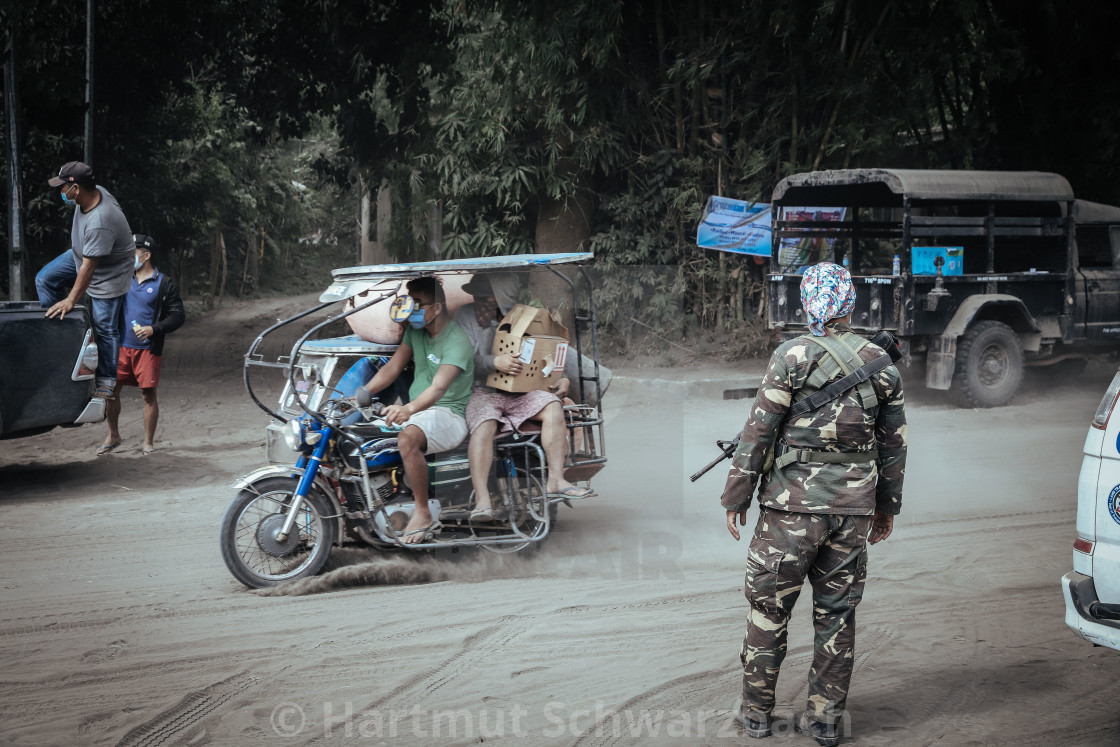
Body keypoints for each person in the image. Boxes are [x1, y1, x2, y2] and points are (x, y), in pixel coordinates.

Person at [721, 262, 907, 747]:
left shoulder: (790, 355)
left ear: (806, 304)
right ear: (850, 304)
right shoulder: (879, 361)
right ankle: (825, 723)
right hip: (852, 513)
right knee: (836, 616)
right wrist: (886, 507)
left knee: (768, 610)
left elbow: (758, 430)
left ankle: (756, 716)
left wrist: (736, 497)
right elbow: (894, 445)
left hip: (789, 511)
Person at [454, 274, 593, 522]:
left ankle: (555, 480)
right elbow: (462, 361)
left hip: (522, 391)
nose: (481, 300)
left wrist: (559, 378)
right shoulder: (465, 317)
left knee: (552, 406)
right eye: (479, 295)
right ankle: (483, 499)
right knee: (484, 424)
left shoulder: (525, 318)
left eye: (487, 295)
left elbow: (546, 357)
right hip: (483, 392)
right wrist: (494, 362)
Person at [361, 276, 474, 544]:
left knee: (407, 438)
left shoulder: (457, 340)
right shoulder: (416, 332)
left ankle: (423, 512)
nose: (411, 308)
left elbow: (438, 387)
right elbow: (392, 367)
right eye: (408, 301)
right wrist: (363, 393)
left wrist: (408, 409)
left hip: (449, 414)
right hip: (422, 412)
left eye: (417, 302)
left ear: (435, 308)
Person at [37, 161, 136, 399]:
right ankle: (62, 343)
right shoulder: (95, 191)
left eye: (63, 187)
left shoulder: (100, 221)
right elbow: (86, 262)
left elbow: (90, 269)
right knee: (45, 279)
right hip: (84, 254)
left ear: (76, 189)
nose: (61, 192)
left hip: (110, 273)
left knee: (105, 328)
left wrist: (71, 299)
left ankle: (106, 381)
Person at [99, 235, 185, 456]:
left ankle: (148, 443)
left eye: (133, 252)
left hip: (147, 350)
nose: (129, 257)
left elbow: (178, 316)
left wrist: (153, 329)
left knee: (148, 396)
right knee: (111, 392)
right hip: (119, 347)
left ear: (146, 255)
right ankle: (113, 435)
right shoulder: (122, 279)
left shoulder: (164, 283)